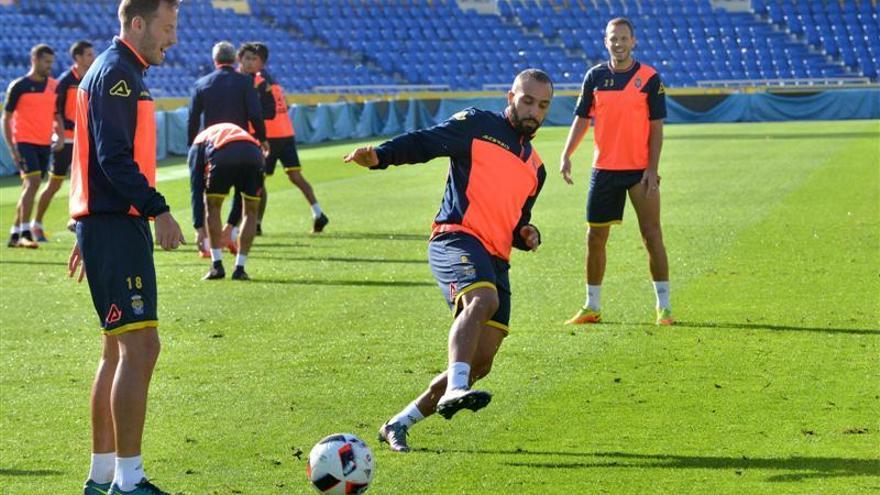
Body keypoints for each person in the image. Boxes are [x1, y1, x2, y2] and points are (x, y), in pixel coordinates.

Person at [344, 69, 552, 452]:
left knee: (482, 361)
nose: (534, 111)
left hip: (496, 258)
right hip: (455, 236)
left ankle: (398, 422)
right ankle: (455, 389)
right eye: (527, 100)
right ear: (511, 97)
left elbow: (515, 222)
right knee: (481, 301)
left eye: (542, 105)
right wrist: (382, 156)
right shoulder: (477, 125)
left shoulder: (537, 170)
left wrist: (526, 234)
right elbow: (427, 142)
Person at [68, 1, 184, 494]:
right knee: (140, 346)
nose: (172, 39)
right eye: (166, 28)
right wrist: (158, 208)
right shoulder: (117, 74)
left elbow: (94, 156)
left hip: (105, 225)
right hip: (116, 225)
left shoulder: (117, 71)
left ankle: (101, 478)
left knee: (116, 351)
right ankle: (128, 481)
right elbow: (113, 157)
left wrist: (85, 226)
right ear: (137, 23)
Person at [559, 17, 674, 327]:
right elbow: (582, 119)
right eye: (613, 38)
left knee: (652, 235)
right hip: (604, 171)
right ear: (605, 41)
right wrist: (567, 153)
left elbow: (656, 127)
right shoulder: (594, 77)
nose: (619, 43)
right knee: (595, 237)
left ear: (633, 41)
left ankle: (664, 307)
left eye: (624, 38)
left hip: (639, 172)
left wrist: (652, 168)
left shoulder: (649, 78)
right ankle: (591, 306)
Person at [228, 41, 329, 237]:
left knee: (257, 181)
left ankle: (255, 223)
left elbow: (259, 110)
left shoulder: (256, 80)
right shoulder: (271, 80)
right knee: (295, 176)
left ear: (261, 62)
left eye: (253, 59)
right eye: (246, 58)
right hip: (286, 131)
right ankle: (318, 212)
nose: (247, 62)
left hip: (268, 136)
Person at [187, 40, 268, 256]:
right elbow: (255, 113)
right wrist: (262, 138)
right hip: (240, 141)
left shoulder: (202, 83)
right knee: (242, 193)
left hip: (210, 144)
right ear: (235, 60)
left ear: (215, 60)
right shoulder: (244, 83)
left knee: (201, 189)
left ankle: (202, 234)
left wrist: (192, 145)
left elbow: (193, 118)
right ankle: (230, 230)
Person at [32, 40, 95, 241]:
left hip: (85, 140)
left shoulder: (93, 79)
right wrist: (59, 133)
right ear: (77, 58)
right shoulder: (65, 81)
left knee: (88, 182)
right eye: (88, 55)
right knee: (55, 184)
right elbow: (55, 111)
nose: (92, 58)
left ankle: (75, 219)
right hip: (67, 141)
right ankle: (36, 224)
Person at [188, 122, 264, 280]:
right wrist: (230, 225)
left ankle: (217, 266)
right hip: (254, 153)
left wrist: (199, 228)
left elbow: (196, 187)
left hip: (222, 153)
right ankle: (240, 268)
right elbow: (239, 194)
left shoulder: (198, 143)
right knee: (251, 211)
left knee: (213, 206)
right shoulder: (235, 132)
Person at [2, 43, 60, 248]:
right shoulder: (19, 86)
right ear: (34, 60)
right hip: (24, 141)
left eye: (51, 62)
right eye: (46, 62)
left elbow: (56, 115)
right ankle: (26, 232)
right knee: (34, 182)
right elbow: (6, 118)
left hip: (44, 144)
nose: (49, 66)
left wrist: (59, 135)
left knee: (30, 186)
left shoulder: (53, 86)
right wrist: (12, 147)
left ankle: (15, 234)